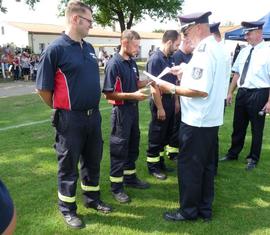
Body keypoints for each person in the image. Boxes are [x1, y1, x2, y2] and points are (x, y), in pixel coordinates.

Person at [36, 0, 112, 229]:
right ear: (75, 19)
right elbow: (42, 88)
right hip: (70, 119)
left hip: (93, 116)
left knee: (92, 161)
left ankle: (92, 199)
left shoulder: (88, 48)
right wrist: (60, 107)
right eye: (89, 20)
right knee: (68, 166)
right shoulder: (55, 49)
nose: (92, 25)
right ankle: (68, 209)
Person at [157, 11, 227, 222]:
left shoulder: (204, 52)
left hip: (197, 120)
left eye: (186, 31)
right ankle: (204, 209)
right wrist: (185, 70)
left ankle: (188, 211)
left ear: (197, 28)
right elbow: (208, 79)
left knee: (189, 168)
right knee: (206, 168)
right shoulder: (217, 47)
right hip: (210, 120)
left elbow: (199, 90)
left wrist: (170, 88)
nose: (186, 37)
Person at [103, 30, 151, 204]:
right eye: (136, 45)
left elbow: (136, 83)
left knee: (133, 146)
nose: (138, 49)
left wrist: (151, 81)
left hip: (133, 111)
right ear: (125, 43)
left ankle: (130, 178)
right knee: (119, 150)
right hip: (121, 113)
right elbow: (108, 94)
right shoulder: (114, 63)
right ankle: (116, 188)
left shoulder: (130, 61)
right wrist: (133, 96)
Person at [220, 21, 270, 170]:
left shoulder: (268, 51)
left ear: (259, 33)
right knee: (238, 125)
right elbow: (237, 73)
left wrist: (269, 102)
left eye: (248, 33)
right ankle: (233, 153)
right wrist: (230, 92)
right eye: (246, 34)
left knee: (256, 128)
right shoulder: (243, 51)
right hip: (242, 93)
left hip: (259, 92)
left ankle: (253, 158)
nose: (246, 36)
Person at [146, 30, 181, 180]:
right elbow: (153, 86)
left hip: (170, 100)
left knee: (165, 134)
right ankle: (153, 166)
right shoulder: (155, 59)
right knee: (157, 134)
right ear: (169, 42)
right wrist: (160, 107)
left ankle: (160, 163)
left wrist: (176, 101)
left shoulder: (170, 58)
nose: (177, 48)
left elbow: (174, 83)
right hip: (159, 100)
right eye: (177, 44)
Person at [164, 35, 194, 162]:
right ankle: (172, 151)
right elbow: (175, 81)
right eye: (192, 45)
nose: (194, 48)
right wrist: (176, 100)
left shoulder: (190, 56)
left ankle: (179, 148)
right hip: (178, 95)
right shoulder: (177, 56)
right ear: (186, 42)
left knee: (181, 124)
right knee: (176, 124)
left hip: (186, 95)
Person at [209, 22, 232, 175]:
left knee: (210, 135)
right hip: (219, 98)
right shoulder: (223, 51)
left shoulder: (217, 51)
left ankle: (211, 167)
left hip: (213, 99)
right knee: (212, 134)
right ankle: (212, 166)